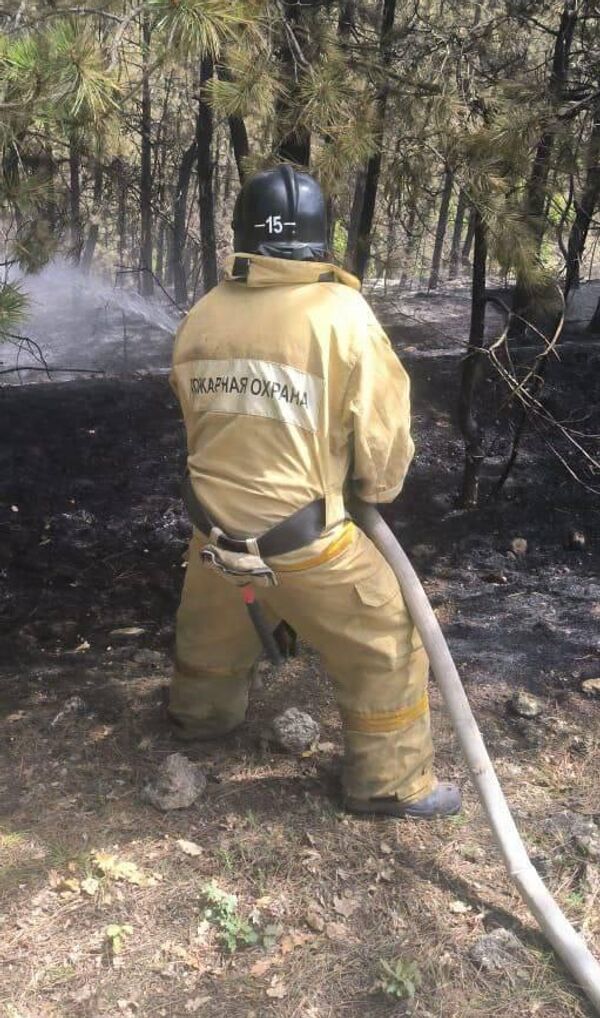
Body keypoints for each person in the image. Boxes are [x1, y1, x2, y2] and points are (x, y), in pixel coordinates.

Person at [168, 164, 461, 819]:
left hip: (213, 536)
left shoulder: (204, 313)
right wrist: (371, 487)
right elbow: (383, 443)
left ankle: (199, 719)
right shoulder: (342, 316)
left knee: (211, 634)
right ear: (320, 239)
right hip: (304, 544)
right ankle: (389, 785)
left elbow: (196, 418)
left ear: (245, 234)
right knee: (387, 640)